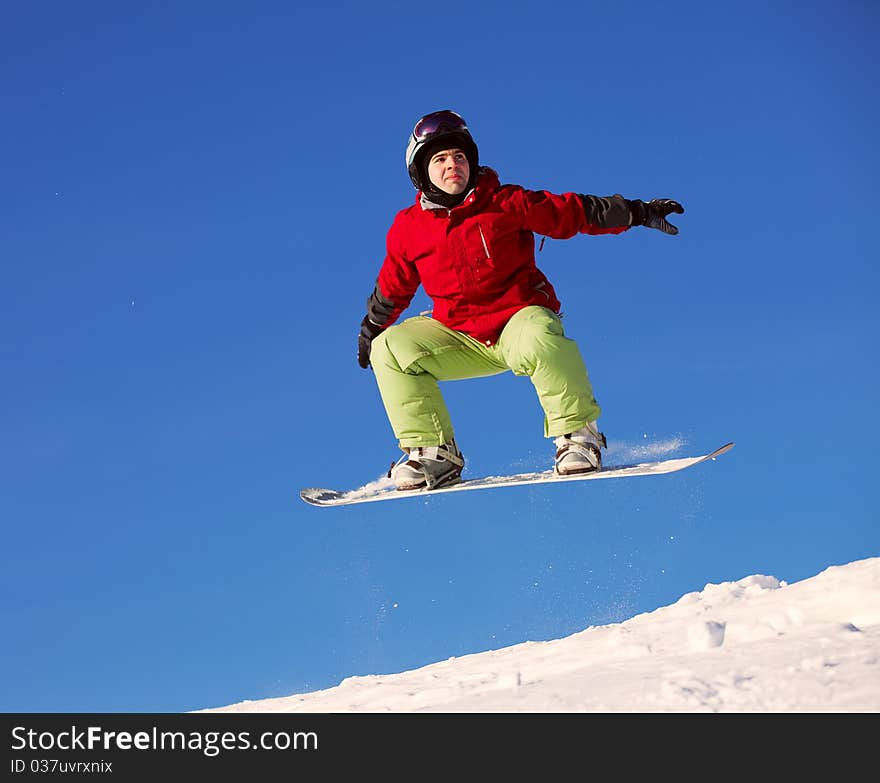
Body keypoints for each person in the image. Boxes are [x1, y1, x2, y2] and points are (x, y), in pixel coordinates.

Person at [357, 109, 683, 491]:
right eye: (440, 159)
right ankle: (434, 455)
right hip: (458, 336)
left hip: (517, 323)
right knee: (389, 348)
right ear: (420, 171)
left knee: (539, 333)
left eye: (460, 157)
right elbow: (393, 286)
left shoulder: (506, 203)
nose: (452, 166)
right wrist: (371, 329)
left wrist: (637, 212)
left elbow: (572, 212)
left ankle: (578, 437)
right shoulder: (408, 228)